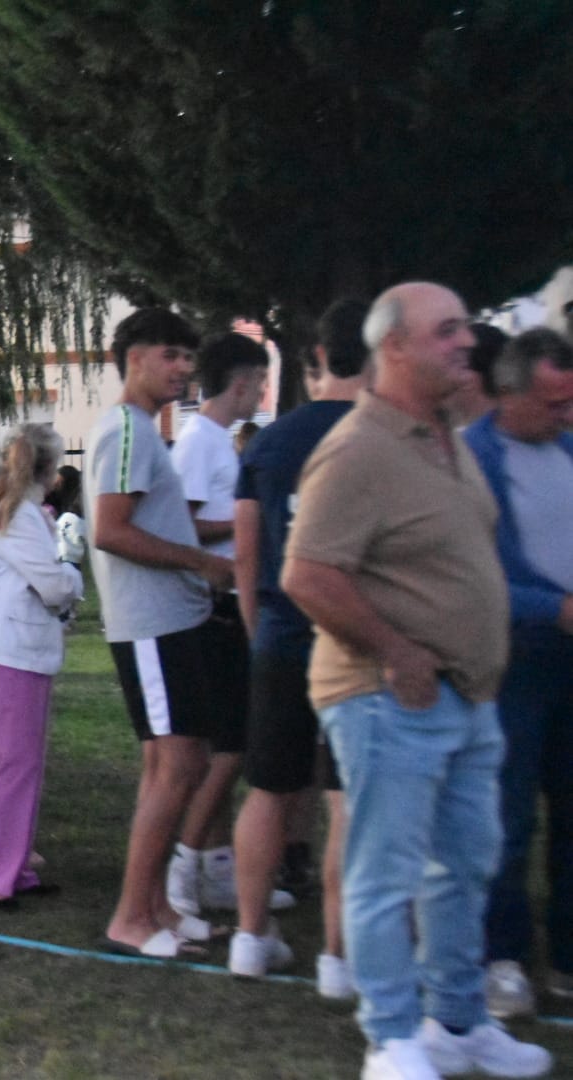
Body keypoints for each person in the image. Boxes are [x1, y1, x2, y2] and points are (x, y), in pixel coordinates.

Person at [283, 283, 550, 1079]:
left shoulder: (445, 437)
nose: (466, 341)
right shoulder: (359, 447)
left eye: (465, 328)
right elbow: (306, 575)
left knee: (468, 862)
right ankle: (392, 1039)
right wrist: (397, 649)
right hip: (386, 697)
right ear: (393, 346)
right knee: (385, 870)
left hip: (466, 694)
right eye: (446, 332)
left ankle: (458, 1024)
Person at [228, 298, 368, 990]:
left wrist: (261, 633)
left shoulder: (271, 443)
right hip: (355, 642)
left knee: (269, 790)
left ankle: (250, 938)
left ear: (315, 359)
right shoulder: (381, 437)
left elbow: (247, 558)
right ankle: (338, 957)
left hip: (282, 635)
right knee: (343, 799)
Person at [84, 308, 233, 960]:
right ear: (134, 357)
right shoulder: (125, 430)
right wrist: (203, 561)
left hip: (172, 621)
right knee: (177, 767)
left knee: (181, 762)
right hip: (149, 625)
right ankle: (129, 918)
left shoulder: (143, 430)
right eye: (171, 355)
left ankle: (159, 907)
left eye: (186, 356)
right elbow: (110, 530)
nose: (183, 368)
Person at [464, 327, 573, 1020]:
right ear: (510, 392)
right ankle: (502, 958)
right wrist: (555, 607)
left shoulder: (568, 447)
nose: (566, 416)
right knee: (504, 817)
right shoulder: (472, 458)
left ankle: (566, 957)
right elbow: (473, 575)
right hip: (512, 658)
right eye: (555, 404)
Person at [166, 332, 278, 918]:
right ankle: (184, 863)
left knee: (227, 747)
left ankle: (216, 869)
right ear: (240, 382)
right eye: (260, 381)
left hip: (230, 603)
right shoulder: (199, 443)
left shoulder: (218, 443)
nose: (263, 392)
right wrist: (244, 523)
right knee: (232, 747)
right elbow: (179, 526)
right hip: (215, 610)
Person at [0, 424, 84, 907]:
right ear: (50, 471)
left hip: (14, 649)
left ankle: (11, 868)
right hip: (8, 650)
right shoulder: (15, 515)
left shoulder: (14, 511)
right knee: (13, 766)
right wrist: (73, 575)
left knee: (20, 765)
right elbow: (53, 586)